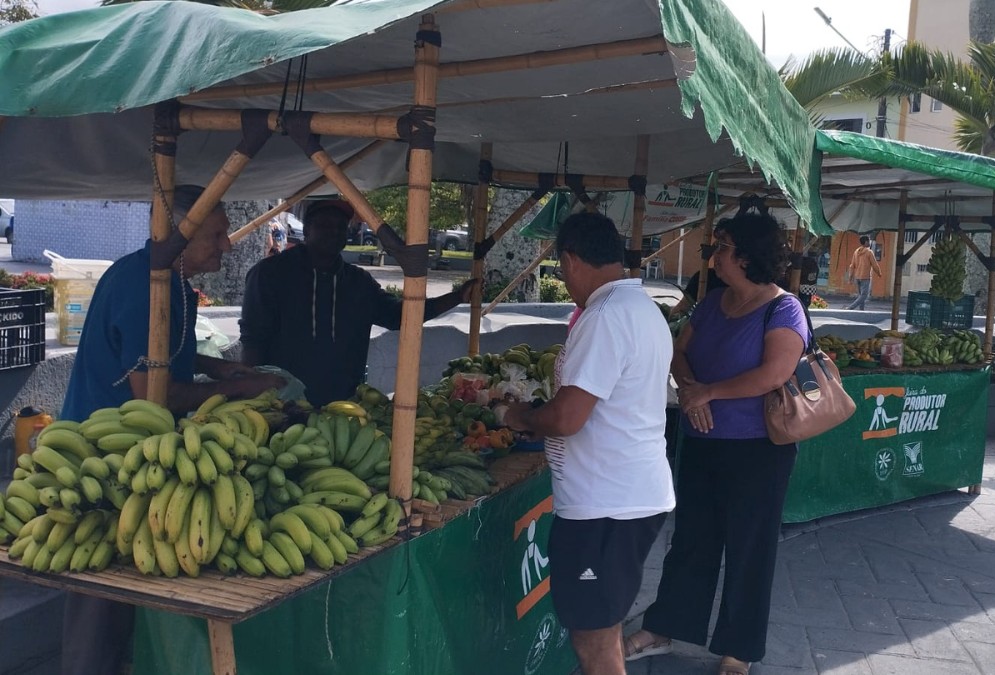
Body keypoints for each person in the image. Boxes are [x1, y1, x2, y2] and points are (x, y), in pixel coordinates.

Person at [59, 185, 287, 675]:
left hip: (142, 455)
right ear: (180, 235)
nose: (227, 245)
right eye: (217, 234)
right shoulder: (145, 287)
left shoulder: (173, 283)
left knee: (132, 589)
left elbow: (167, 355)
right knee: (101, 597)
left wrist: (215, 367)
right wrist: (243, 388)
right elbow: (154, 394)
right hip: (100, 460)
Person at [623, 208, 809, 675]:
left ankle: (739, 649)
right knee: (690, 540)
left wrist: (710, 391)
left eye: (720, 248)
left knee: (750, 547)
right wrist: (689, 390)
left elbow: (775, 373)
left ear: (747, 255)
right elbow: (678, 350)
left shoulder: (783, 308)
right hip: (703, 440)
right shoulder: (712, 303)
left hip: (759, 449)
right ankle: (664, 627)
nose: (712, 259)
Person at [503, 212, 675, 675]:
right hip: (628, 496)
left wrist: (519, 416)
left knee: (593, 640)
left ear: (572, 261)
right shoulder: (643, 308)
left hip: (606, 507)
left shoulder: (604, 316)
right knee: (605, 624)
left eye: (561, 270)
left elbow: (567, 417)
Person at [239, 199, 478, 407]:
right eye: (324, 225)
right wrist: (253, 397)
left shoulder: (358, 282)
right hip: (280, 401)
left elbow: (399, 316)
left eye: (340, 227)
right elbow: (252, 338)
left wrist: (457, 297)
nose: (333, 232)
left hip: (344, 404)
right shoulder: (270, 274)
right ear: (308, 230)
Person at [845, 234, 881, 310]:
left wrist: (850, 277)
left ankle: (861, 310)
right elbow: (874, 264)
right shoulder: (869, 252)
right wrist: (879, 273)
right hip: (865, 277)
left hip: (857, 277)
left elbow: (852, 266)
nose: (869, 243)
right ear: (865, 242)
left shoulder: (856, 252)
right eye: (868, 241)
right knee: (864, 296)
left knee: (860, 295)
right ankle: (850, 307)